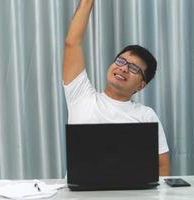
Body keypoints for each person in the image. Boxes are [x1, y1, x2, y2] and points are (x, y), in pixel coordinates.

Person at [62, 0, 170, 176]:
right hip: (79, 193)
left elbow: (162, 165)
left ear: (141, 85)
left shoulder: (146, 115)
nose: (123, 68)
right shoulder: (80, 96)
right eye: (121, 61)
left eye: (134, 68)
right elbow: (72, 43)